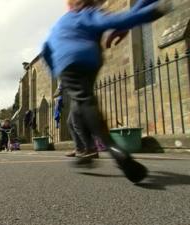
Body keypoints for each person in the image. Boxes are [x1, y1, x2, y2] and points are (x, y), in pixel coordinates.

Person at [42, 0, 170, 182]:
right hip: (90, 61)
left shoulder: (62, 22)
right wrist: (149, 14)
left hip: (67, 63)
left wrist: (55, 69)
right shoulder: (91, 13)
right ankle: (87, 150)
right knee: (81, 105)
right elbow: (112, 22)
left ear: (70, 6)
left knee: (83, 101)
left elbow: (46, 48)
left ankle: (112, 148)